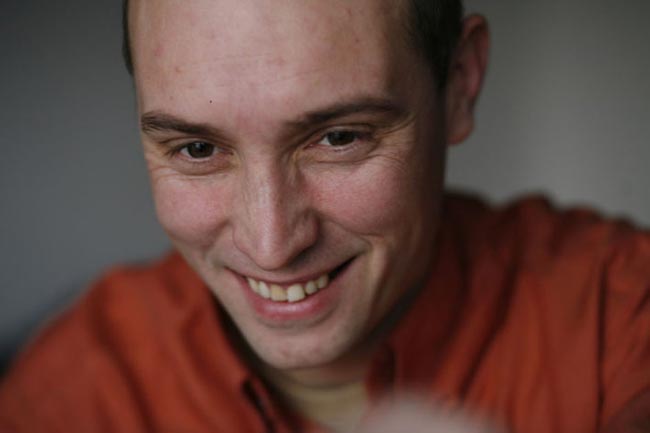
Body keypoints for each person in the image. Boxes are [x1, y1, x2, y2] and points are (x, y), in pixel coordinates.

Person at [1, 0, 648, 432]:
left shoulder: (616, 318)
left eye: (339, 138)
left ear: (458, 82)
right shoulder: (78, 388)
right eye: (197, 149)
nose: (272, 244)